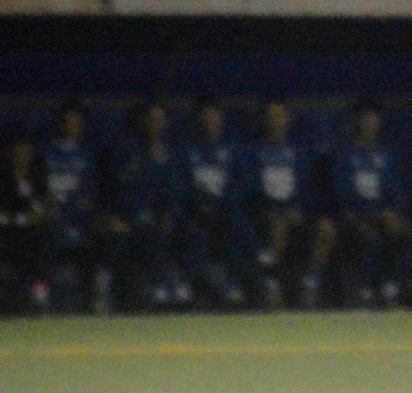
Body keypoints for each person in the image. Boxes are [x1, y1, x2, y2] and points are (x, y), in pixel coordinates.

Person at [246, 100, 335, 308]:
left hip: (297, 213)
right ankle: (271, 283)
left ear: (287, 120)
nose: (275, 121)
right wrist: (270, 209)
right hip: (266, 214)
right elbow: (249, 191)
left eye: (279, 116)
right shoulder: (253, 153)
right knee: (277, 225)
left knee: (326, 229)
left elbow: (308, 190)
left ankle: (310, 283)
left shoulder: (299, 153)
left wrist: (300, 209)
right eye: (271, 117)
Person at [108, 100, 189, 308]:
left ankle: (183, 288)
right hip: (132, 218)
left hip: (163, 218)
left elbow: (175, 191)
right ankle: (149, 291)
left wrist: (169, 213)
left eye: (161, 121)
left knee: (190, 234)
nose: (157, 125)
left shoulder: (171, 152)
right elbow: (119, 191)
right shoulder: (127, 151)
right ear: (142, 122)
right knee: (131, 236)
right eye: (152, 120)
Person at [333, 103, 412, 308]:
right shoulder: (344, 154)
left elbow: (397, 191)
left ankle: (391, 286)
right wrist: (369, 213)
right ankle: (364, 288)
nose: (370, 124)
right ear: (357, 122)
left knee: (404, 231)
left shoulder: (387, 154)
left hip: (382, 215)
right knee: (367, 234)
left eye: (374, 119)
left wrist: (392, 212)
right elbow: (341, 192)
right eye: (365, 119)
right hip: (354, 216)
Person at [181, 97, 256, 308]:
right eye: (205, 118)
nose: (209, 123)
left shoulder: (233, 150)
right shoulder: (186, 150)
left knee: (237, 225)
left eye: (214, 118)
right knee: (194, 233)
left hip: (225, 211)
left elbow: (242, 185)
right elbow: (180, 185)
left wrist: (222, 204)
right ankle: (198, 290)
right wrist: (199, 203)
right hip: (195, 211)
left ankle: (240, 282)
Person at [38, 103, 104, 311]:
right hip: (51, 219)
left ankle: (94, 299)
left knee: (102, 240)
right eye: (67, 123)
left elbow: (92, 193)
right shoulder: (45, 153)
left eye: (76, 123)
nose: (71, 127)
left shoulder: (88, 155)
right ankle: (41, 297)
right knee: (40, 241)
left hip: (81, 220)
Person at [0, 129, 49, 311]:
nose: (24, 154)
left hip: (30, 231)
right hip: (7, 230)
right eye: (19, 150)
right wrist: (22, 219)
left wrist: (39, 214)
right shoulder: (3, 176)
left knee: (41, 238)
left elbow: (40, 202)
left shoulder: (36, 174)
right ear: (10, 152)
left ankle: (40, 294)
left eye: (27, 150)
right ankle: (17, 302)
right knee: (24, 242)